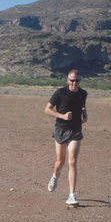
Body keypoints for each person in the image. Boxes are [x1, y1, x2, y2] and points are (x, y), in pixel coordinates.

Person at [44, 69, 88, 206]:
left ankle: (72, 195)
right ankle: (55, 176)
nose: (74, 83)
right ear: (67, 80)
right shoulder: (60, 93)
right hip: (61, 130)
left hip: (75, 130)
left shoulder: (83, 93)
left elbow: (82, 107)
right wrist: (62, 116)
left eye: (77, 81)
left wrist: (85, 115)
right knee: (60, 161)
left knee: (73, 161)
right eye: (72, 80)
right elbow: (47, 109)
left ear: (80, 81)